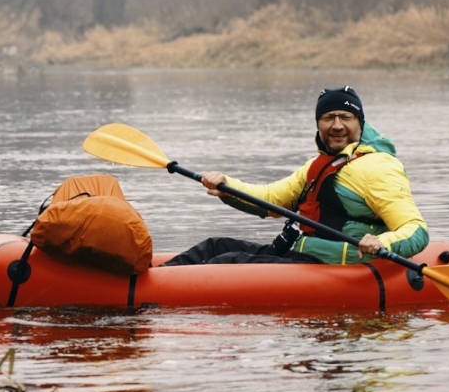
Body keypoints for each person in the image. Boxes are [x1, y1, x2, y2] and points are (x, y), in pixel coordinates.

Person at [161, 86, 429, 266]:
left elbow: (416, 230)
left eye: (345, 117)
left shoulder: (378, 168)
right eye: (328, 118)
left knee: (226, 261)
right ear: (318, 124)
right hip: (304, 255)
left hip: (334, 264)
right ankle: (146, 280)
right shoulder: (321, 164)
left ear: (359, 122)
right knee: (214, 246)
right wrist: (226, 186)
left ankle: (146, 292)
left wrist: (381, 242)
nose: (337, 125)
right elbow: (270, 200)